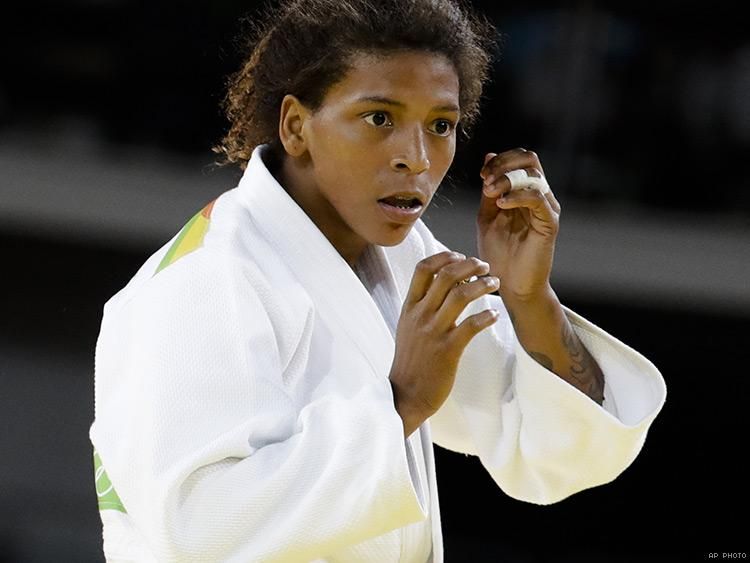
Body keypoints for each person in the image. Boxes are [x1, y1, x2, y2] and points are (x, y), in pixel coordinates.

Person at [89, 0, 667, 561]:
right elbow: (200, 529)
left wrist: (528, 298)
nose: (417, 158)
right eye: (380, 118)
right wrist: (402, 400)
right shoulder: (204, 279)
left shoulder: (401, 260)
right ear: (296, 126)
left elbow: (551, 454)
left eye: (440, 125)